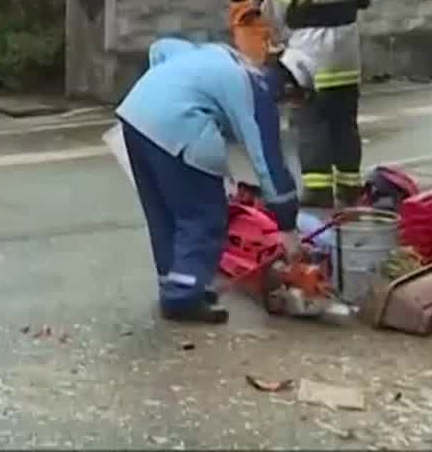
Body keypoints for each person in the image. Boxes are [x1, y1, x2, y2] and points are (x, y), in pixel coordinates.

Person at [116, 38, 306, 324]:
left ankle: (176, 286)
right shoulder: (259, 93)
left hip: (134, 115)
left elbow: (161, 47)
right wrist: (288, 227)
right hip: (178, 125)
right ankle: (184, 297)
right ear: (289, 89)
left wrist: (164, 91)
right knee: (202, 215)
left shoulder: (222, 55)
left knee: (164, 212)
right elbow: (268, 162)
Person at [264, 0, 372, 208]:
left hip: (309, 57)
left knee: (310, 122)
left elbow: (273, 11)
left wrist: (283, 39)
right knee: (345, 123)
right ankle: (350, 187)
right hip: (349, 56)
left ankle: (318, 190)